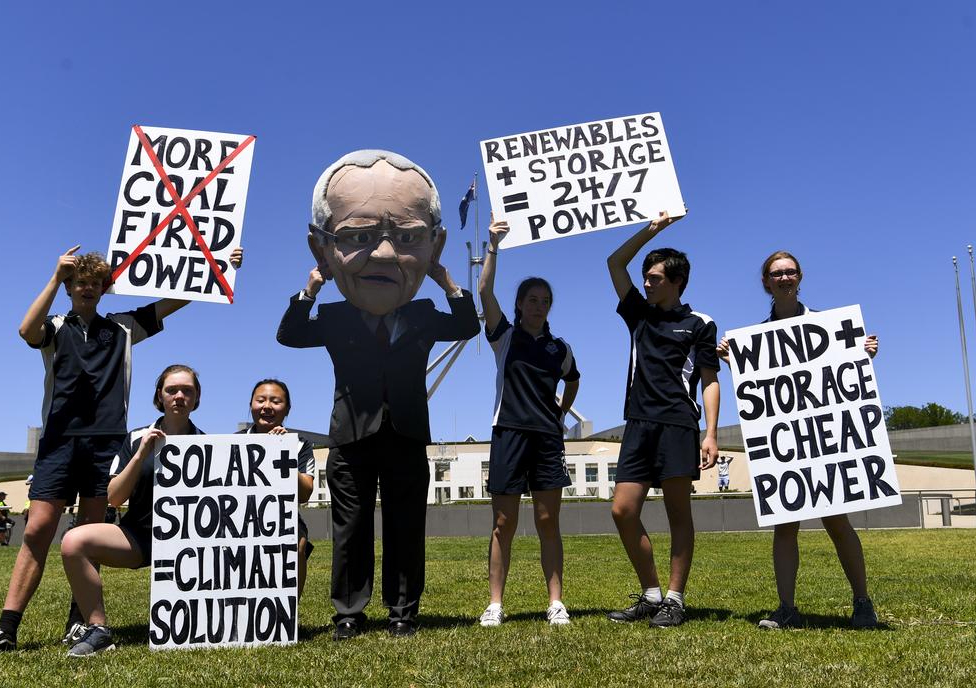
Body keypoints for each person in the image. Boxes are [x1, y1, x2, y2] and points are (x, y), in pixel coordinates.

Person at [0, 245, 241, 657]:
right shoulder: (56, 327)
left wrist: (219, 269)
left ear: (107, 287)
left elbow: (171, 302)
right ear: (69, 288)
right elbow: (26, 331)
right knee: (38, 529)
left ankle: (81, 622)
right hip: (59, 441)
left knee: (86, 532)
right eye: (79, 283)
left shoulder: (123, 328)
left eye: (95, 283)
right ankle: (6, 628)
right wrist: (55, 275)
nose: (87, 288)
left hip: (106, 443)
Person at [277, 149, 479, 640]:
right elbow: (289, 334)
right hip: (350, 438)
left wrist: (445, 277)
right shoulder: (336, 318)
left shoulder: (424, 313)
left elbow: (468, 325)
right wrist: (310, 290)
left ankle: (403, 611)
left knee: (406, 527)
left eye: (407, 238)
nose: (386, 253)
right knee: (350, 528)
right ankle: (349, 612)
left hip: (407, 432)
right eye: (359, 237)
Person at [717, 249, 880, 630]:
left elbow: (842, 377)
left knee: (836, 519)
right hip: (788, 445)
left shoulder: (828, 326)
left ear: (800, 277)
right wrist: (735, 361)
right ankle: (787, 608)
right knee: (785, 524)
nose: (784, 278)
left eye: (790, 272)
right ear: (765, 283)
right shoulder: (757, 338)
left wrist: (864, 354)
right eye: (777, 273)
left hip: (822, 441)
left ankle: (862, 602)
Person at [604, 211, 721, 628]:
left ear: (676, 281)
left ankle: (675, 598)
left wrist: (710, 434)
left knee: (678, 514)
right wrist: (651, 230)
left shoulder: (700, 324)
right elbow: (614, 263)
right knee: (622, 510)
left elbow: (709, 381)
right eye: (646, 277)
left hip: (678, 425)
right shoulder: (639, 313)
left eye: (654, 278)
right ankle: (651, 594)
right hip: (637, 423)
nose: (647, 283)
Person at [476, 216, 580, 628]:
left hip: (547, 440)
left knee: (547, 521)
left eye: (544, 301)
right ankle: (495, 604)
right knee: (503, 523)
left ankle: (555, 602)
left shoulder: (561, 348)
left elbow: (574, 381)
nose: (538, 305)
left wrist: (559, 413)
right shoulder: (503, 336)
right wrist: (494, 245)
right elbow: (484, 291)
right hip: (509, 435)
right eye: (532, 299)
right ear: (519, 304)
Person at [59, 364, 204, 657]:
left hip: (193, 546)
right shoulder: (137, 437)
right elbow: (114, 497)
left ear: (196, 398)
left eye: (187, 391)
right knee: (74, 542)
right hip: (141, 537)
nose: (179, 396)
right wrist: (140, 455)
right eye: (171, 390)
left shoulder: (207, 443)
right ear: (160, 396)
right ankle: (98, 629)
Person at [244, 378, 316, 591]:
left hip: (282, 517)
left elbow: (305, 494)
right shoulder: (234, 442)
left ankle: (289, 615)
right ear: (251, 406)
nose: (267, 407)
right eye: (261, 400)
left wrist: (280, 452)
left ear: (287, 410)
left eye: (275, 401)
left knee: (298, 544)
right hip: (241, 517)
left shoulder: (300, 444)